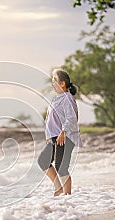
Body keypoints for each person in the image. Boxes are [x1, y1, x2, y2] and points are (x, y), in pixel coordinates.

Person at [37, 68, 83, 196]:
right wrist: (49, 135)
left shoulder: (67, 98)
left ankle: (67, 197)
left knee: (61, 167)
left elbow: (71, 117)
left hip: (65, 137)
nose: (52, 82)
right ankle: (59, 188)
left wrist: (63, 132)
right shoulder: (58, 99)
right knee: (43, 161)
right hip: (54, 137)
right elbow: (50, 120)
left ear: (62, 83)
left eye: (55, 80)